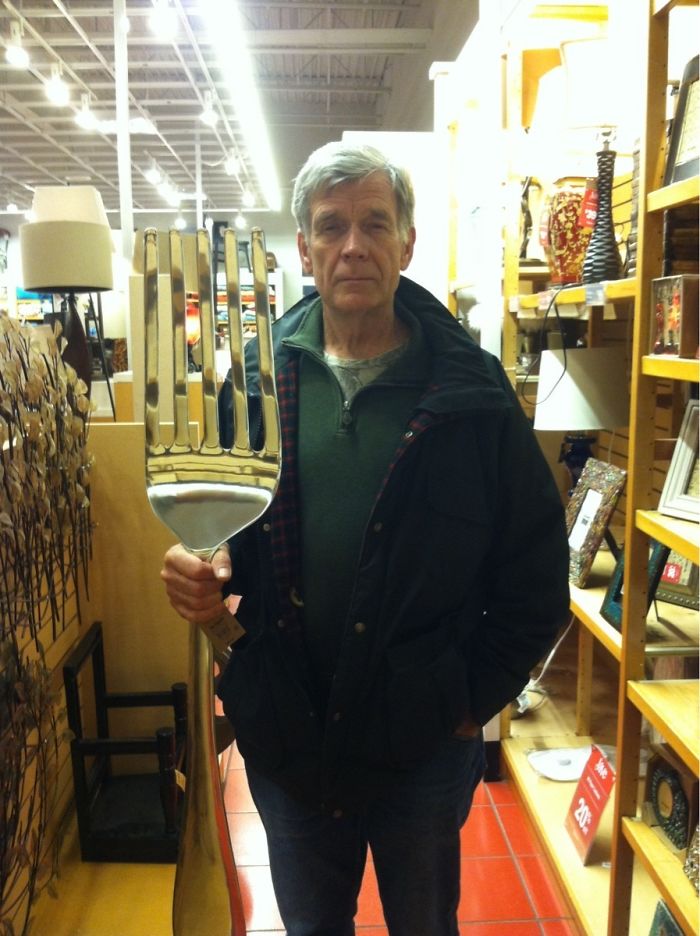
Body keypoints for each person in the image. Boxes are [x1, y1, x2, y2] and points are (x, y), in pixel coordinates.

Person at [161, 142, 570, 936]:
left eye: (375, 224)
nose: (354, 245)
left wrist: (468, 700)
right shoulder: (251, 383)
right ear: (306, 248)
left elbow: (535, 575)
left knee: (424, 923)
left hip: (422, 738)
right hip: (289, 725)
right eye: (332, 227)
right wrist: (198, 566)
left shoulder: (472, 394)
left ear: (406, 242)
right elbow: (216, 533)